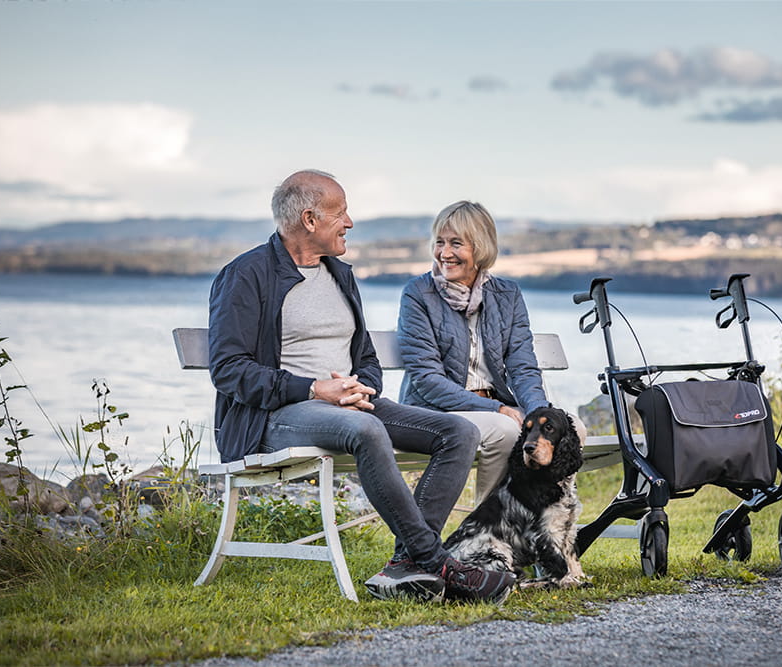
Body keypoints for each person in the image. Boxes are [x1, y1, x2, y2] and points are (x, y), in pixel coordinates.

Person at [208, 171, 515, 604]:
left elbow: (366, 358)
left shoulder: (338, 274)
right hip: (274, 418)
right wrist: (316, 390)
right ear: (311, 219)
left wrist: (360, 390)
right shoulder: (246, 275)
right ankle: (437, 562)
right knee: (367, 431)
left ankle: (404, 567)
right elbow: (229, 370)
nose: (349, 222)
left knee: (459, 432)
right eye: (341, 212)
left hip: (348, 409)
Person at [396, 200, 587, 505]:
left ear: (480, 247)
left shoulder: (507, 294)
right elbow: (426, 379)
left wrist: (539, 416)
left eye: (456, 243)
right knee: (504, 430)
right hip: (436, 411)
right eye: (440, 242)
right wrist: (496, 410)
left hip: (497, 409)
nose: (445, 253)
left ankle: (544, 520)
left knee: (573, 427)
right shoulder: (418, 295)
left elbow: (523, 367)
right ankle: (487, 531)